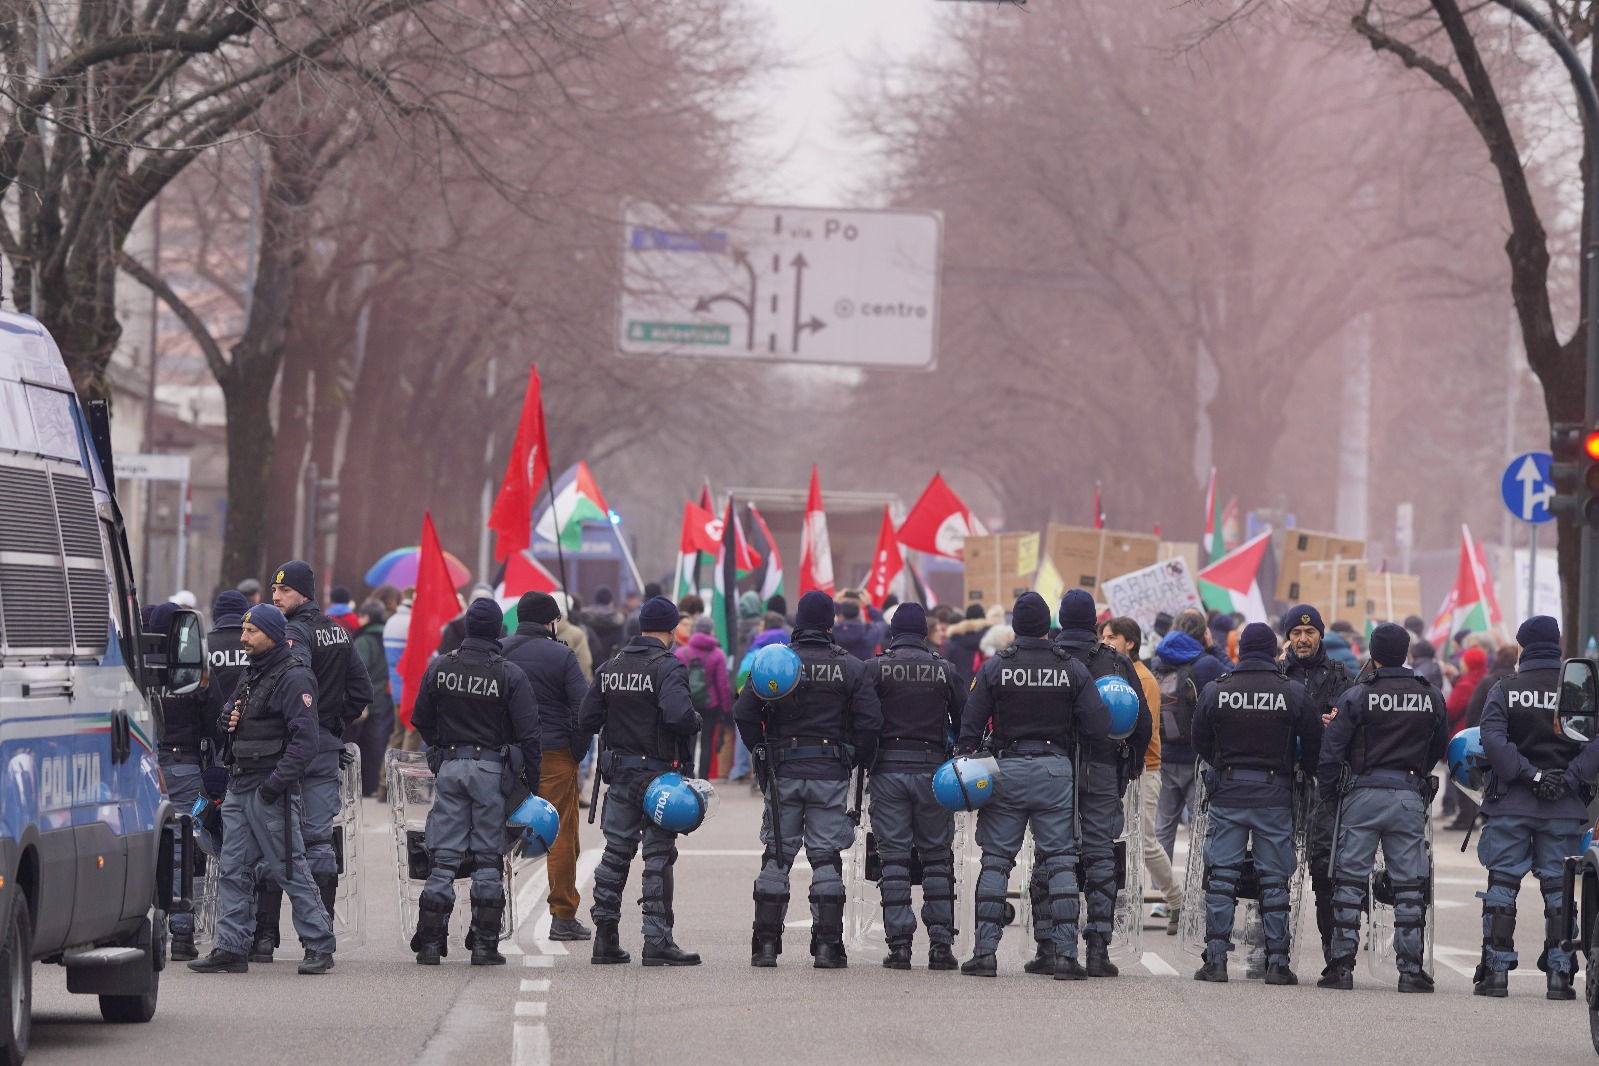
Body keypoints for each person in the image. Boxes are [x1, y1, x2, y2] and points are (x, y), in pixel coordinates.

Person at [954, 592, 1111, 979]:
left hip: (1004, 770)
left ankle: (985, 954)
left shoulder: (996, 666)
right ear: (1047, 626)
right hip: (1055, 772)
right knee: (1060, 861)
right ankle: (1065, 957)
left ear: (1015, 626)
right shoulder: (1071, 668)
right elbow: (1099, 727)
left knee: (995, 861)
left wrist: (966, 761)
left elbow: (969, 727)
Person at [734, 590, 882, 969]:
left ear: (798, 622)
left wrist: (760, 750)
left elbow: (744, 712)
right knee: (826, 857)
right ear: (831, 623)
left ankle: (766, 945)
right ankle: (828, 948)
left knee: (777, 855)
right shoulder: (851, 666)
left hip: (783, 771)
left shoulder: (775, 662)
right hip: (830, 773)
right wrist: (852, 759)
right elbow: (870, 723)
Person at [188, 604, 335, 975]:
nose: (243, 638)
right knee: (232, 870)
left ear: (271, 633)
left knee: (289, 868)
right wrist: (227, 719)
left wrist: (275, 785)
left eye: (251, 631)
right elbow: (228, 718)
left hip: (271, 790)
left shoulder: (294, 676)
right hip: (240, 784)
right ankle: (231, 947)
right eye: (243, 630)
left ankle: (319, 945)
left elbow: (306, 741)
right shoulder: (252, 673)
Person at [1315, 623, 1447, 992]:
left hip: (1361, 794)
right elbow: (1438, 745)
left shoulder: (1357, 695)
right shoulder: (1430, 694)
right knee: (1409, 885)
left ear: (1372, 655)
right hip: (1407, 794)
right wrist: (1416, 776)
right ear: (1406, 653)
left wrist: (1331, 796)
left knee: (1348, 881)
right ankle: (1410, 970)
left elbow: (1331, 751)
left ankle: (1341, 966)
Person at [1472, 615, 1599, 1000]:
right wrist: (1569, 778)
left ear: (1523, 646)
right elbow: (1594, 742)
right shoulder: (1577, 688)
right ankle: (1560, 977)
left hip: (1512, 802)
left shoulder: (1505, 688)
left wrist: (1531, 776)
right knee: (1560, 888)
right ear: (1557, 644)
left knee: (1502, 884)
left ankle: (1496, 974)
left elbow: (1492, 739)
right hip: (1563, 807)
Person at [409, 599, 541, 966]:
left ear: (467, 628)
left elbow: (420, 718)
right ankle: (485, 945)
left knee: (444, 857)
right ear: (498, 630)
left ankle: (430, 944)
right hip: (492, 772)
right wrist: (532, 786)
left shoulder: (440, 667)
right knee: (487, 857)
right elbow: (530, 734)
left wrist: (441, 747)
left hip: (451, 767)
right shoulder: (510, 674)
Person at [255, 560, 373, 963]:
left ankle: (264, 936)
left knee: (275, 838)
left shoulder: (293, 632)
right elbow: (362, 691)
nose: (275, 597)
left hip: (287, 748)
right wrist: (333, 725)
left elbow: (293, 679)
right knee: (320, 841)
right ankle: (319, 940)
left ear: (303, 593)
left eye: (284, 591)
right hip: (324, 747)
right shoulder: (338, 631)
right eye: (274, 590)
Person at [1190, 622, 1320, 985]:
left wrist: (1223, 764)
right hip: (1274, 796)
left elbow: (1199, 740)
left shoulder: (1217, 689)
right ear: (1273, 651)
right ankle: (1277, 963)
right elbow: (1313, 743)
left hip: (1229, 793)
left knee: (1221, 876)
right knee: (1274, 879)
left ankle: (1215, 961)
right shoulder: (1293, 692)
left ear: (1242, 650)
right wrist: (1299, 771)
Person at [579, 596, 703, 966]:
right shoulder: (669, 667)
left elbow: (587, 719)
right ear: (671, 630)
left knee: (615, 854)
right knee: (657, 856)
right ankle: (657, 941)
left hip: (620, 775)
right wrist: (695, 720)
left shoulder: (611, 667)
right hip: (658, 778)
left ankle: (605, 939)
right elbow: (679, 716)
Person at [1045, 590, 1152, 976]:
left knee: (1053, 854)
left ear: (1061, 619)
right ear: (1094, 622)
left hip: (1053, 768)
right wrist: (1130, 765)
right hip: (1103, 767)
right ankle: (1097, 949)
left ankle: (1051, 948)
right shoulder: (1116, 662)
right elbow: (1141, 721)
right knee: (1101, 855)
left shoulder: (1047, 658)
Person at [864, 603, 966, 970]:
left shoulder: (874, 668)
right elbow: (965, 719)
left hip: (888, 770)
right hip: (933, 774)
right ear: (924, 632)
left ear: (893, 632)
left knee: (894, 859)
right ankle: (941, 946)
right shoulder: (945, 670)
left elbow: (862, 719)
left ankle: (899, 947)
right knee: (937, 858)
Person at [501, 591, 593, 942]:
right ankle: (563, 915)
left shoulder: (500, 651)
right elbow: (583, 709)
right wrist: (576, 751)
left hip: (508, 756)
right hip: (554, 752)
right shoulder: (562, 655)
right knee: (561, 832)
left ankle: (492, 911)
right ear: (550, 622)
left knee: (497, 830)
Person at [1279, 604, 1355, 980]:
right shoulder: (1277, 675)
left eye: (1309, 633)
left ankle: (1335, 957)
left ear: (1320, 635)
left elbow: (1358, 724)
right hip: (1284, 784)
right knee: (1273, 869)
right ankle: (1272, 952)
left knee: (1326, 871)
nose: (1303, 639)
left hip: (1325, 787)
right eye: (1296, 633)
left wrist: (1336, 725)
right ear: (1288, 638)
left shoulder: (1341, 676)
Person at [150, 599, 222, 961]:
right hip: (183, 766)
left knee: (142, 844)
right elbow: (216, 720)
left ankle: (146, 925)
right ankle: (181, 933)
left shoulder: (135, 669)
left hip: (144, 763)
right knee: (181, 846)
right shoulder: (192, 668)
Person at [1102, 615, 1181, 932]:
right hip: (1120, 769)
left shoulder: (1143, 678)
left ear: (1130, 642)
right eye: (1103, 637)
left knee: (1146, 842)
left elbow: (1141, 728)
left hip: (1143, 769)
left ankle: (1178, 902)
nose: (1105, 642)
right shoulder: (1115, 673)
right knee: (1116, 841)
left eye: (1112, 637)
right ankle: (1118, 906)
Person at [1151, 608, 1230, 885]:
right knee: (1200, 826)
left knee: (1163, 826)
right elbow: (1236, 678)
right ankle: (1196, 888)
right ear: (1203, 633)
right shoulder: (1207, 664)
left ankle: (1160, 892)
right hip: (1198, 759)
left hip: (1164, 755)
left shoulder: (1158, 661)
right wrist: (1214, 647)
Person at [678, 616, 733, 778]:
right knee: (707, 741)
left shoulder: (681, 653)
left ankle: (688, 775)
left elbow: (676, 682)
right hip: (711, 704)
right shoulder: (717, 654)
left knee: (689, 741)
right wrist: (725, 709)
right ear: (710, 631)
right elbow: (723, 684)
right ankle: (704, 777)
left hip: (688, 703)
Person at [351, 600, 392, 797]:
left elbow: (357, 670)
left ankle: (361, 786)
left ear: (366, 617)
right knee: (376, 743)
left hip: (364, 699)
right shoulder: (387, 637)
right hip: (383, 695)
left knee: (358, 744)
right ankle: (372, 785)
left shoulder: (364, 640)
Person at [384, 587, 421, 757]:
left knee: (397, 734)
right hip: (411, 687)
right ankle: (406, 771)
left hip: (395, 686)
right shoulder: (413, 623)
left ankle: (386, 773)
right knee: (412, 733)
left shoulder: (391, 621)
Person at [577, 586, 627, 663]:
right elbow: (620, 645)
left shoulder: (585, 617)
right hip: (611, 665)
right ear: (611, 602)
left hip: (590, 663)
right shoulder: (618, 620)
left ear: (596, 600)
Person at [944, 604, 990, 686]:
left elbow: (946, 670)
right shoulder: (994, 641)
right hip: (985, 690)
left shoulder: (955, 640)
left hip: (960, 689)